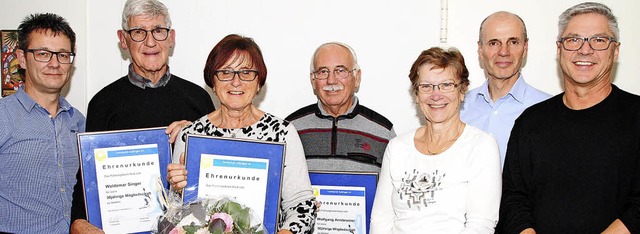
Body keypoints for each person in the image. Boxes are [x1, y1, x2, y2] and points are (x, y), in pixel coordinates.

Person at [70, 0, 214, 232]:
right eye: (138, 32)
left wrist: (195, 136)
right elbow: (87, 178)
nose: (150, 41)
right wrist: (77, 221)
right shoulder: (102, 103)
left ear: (171, 38)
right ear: (123, 39)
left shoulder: (199, 99)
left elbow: (214, 177)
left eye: (158, 31)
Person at [498, 2, 640, 233]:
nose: (585, 50)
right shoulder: (530, 122)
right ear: (559, 49)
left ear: (615, 51)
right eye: (573, 40)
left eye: (599, 40)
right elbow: (514, 200)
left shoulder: (635, 116)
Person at [167, 34, 316, 234]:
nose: (236, 82)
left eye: (246, 72)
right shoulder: (191, 135)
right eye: (226, 72)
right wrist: (178, 190)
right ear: (213, 81)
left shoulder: (282, 133)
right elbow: (175, 213)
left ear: (259, 83)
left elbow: (302, 204)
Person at [370, 47, 501, 233]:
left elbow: (480, 225)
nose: (436, 94)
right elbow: (380, 220)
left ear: (462, 91)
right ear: (416, 94)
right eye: (426, 86)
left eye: (446, 85)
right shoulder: (397, 147)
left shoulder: (481, 146)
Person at [0, 13, 85, 233]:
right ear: (21, 57)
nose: (54, 63)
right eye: (43, 54)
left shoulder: (79, 122)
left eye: (63, 55)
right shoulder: (3, 117)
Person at [285, 42, 395, 173]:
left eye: (340, 71)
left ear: (357, 77)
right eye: (323, 71)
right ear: (313, 80)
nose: (331, 80)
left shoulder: (383, 131)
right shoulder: (291, 129)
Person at [461, 11, 550, 167]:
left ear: (525, 47)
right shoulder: (458, 108)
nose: (503, 52)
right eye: (494, 43)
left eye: (513, 42)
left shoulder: (549, 109)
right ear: (480, 50)